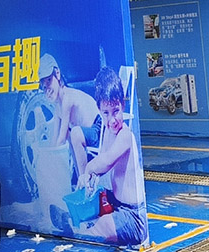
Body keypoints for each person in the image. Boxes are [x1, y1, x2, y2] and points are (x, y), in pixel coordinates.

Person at [76, 65, 148, 246]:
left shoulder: (125, 135)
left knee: (93, 231)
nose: (112, 120)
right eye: (106, 113)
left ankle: (80, 229)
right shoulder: (109, 130)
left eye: (116, 111)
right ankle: (70, 219)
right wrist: (88, 180)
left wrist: (87, 170)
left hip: (133, 216)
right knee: (87, 211)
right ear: (99, 110)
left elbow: (106, 162)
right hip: (116, 203)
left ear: (122, 105)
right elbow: (101, 163)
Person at [39, 54, 101, 184]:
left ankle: (84, 180)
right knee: (70, 134)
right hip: (88, 134)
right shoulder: (58, 107)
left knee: (74, 133)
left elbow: (60, 139)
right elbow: (55, 139)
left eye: (49, 80)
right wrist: (48, 155)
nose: (48, 88)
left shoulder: (67, 98)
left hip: (99, 130)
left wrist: (51, 160)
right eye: (44, 86)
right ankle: (80, 177)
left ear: (57, 74)